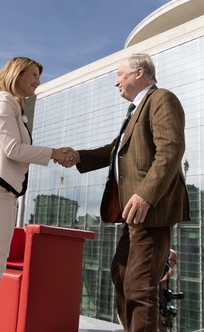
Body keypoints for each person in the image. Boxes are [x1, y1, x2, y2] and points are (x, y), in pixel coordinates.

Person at [0, 56, 77, 332]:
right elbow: (13, 149)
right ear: (16, 74)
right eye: (33, 75)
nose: (38, 81)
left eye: (39, 76)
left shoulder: (13, 107)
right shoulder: (4, 101)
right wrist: (54, 153)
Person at [73, 53, 190, 331]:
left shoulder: (162, 98)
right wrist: (76, 156)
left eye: (119, 75)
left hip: (152, 209)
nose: (116, 83)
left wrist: (146, 194)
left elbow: (171, 150)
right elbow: (113, 151)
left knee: (139, 285)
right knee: (122, 274)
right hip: (134, 213)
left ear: (139, 73)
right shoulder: (135, 111)